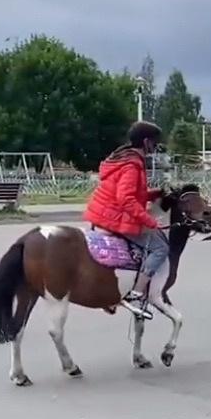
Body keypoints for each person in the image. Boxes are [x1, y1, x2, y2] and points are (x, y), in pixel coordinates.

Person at [82, 121, 168, 318]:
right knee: (161, 247)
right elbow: (125, 199)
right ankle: (136, 293)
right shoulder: (132, 165)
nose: (155, 148)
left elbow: (131, 193)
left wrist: (151, 194)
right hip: (113, 217)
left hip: (102, 212)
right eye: (155, 143)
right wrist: (150, 221)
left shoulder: (122, 158)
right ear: (146, 142)